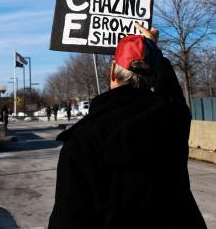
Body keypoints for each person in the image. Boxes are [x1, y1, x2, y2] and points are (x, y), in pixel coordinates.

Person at [48, 24, 206, 229]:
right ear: (154, 75)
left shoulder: (82, 140)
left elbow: (69, 219)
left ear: (113, 71)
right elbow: (171, 92)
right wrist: (153, 50)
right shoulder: (173, 118)